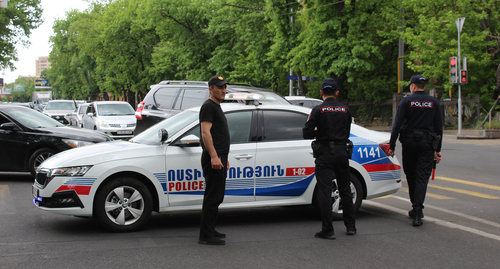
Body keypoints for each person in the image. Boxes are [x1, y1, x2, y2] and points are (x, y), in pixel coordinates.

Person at [303, 78, 356, 240]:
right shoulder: (345, 110)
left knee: (325, 191)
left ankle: (328, 229)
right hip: (342, 152)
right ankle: (351, 226)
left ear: (321, 92)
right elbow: (347, 131)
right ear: (336, 93)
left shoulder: (318, 110)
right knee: (345, 190)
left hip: (325, 154)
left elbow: (307, 133)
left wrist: (319, 130)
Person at [387, 74, 443, 227]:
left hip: (410, 143)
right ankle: (418, 210)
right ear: (423, 86)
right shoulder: (434, 102)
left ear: (413, 86)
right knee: (422, 177)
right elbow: (439, 127)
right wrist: (438, 150)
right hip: (427, 144)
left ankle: (415, 208)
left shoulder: (406, 101)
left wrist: (392, 146)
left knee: (411, 175)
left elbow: (397, 124)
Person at [198, 75, 230, 245]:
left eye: (224, 87)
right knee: (212, 196)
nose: (223, 90)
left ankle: (210, 229)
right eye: (219, 87)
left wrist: (224, 157)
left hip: (220, 157)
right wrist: (215, 156)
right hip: (214, 158)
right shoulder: (208, 107)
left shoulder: (216, 106)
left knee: (217, 196)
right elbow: (205, 133)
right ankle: (205, 235)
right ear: (211, 89)